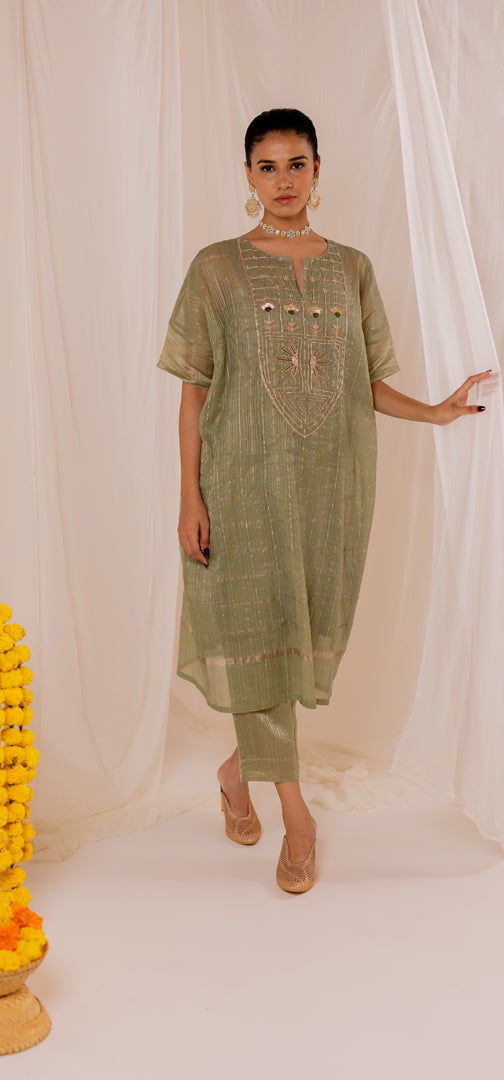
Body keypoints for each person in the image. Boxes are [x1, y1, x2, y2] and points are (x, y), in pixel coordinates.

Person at [157, 107, 490, 894]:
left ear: (317, 170)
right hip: (238, 487)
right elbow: (194, 392)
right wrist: (188, 497)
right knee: (256, 636)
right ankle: (296, 816)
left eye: (296, 164)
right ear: (248, 175)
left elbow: (364, 382)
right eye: (267, 166)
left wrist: (436, 412)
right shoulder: (217, 269)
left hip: (331, 487)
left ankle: (235, 773)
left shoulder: (353, 270)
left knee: (298, 643)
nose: (283, 180)